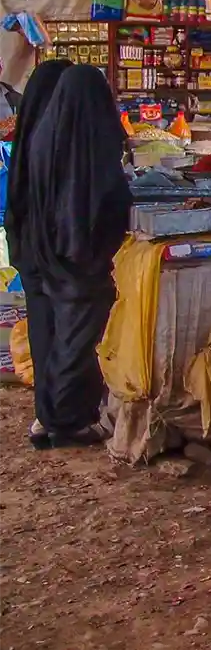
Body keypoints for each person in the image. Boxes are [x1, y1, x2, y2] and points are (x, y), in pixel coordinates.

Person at [14, 64, 130, 448]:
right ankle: (65, 422)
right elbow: (103, 197)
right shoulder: (90, 140)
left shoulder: (49, 134)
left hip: (53, 251)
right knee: (75, 340)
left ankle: (50, 417)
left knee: (59, 334)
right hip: (79, 255)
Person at [5, 58, 73, 445]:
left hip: (29, 249)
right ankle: (57, 415)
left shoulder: (28, 133)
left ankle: (45, 415)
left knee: (44, 331)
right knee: (63, 333)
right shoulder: (54, 139)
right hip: (52, 254)